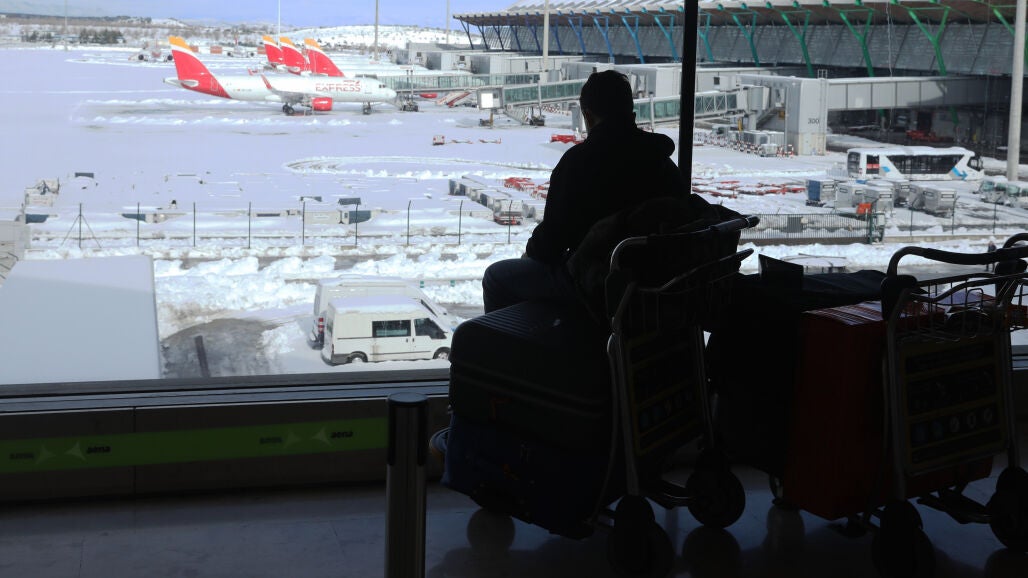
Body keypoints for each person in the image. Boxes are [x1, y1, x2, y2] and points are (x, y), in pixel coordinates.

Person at [481, 70, 697, 313]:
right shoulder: (662, 162)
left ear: (588, 116)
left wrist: (531, 253)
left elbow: (550, 243)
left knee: (495, 278)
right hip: (653, 287)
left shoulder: (578, 163)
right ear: (631, 113)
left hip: (595, 284)